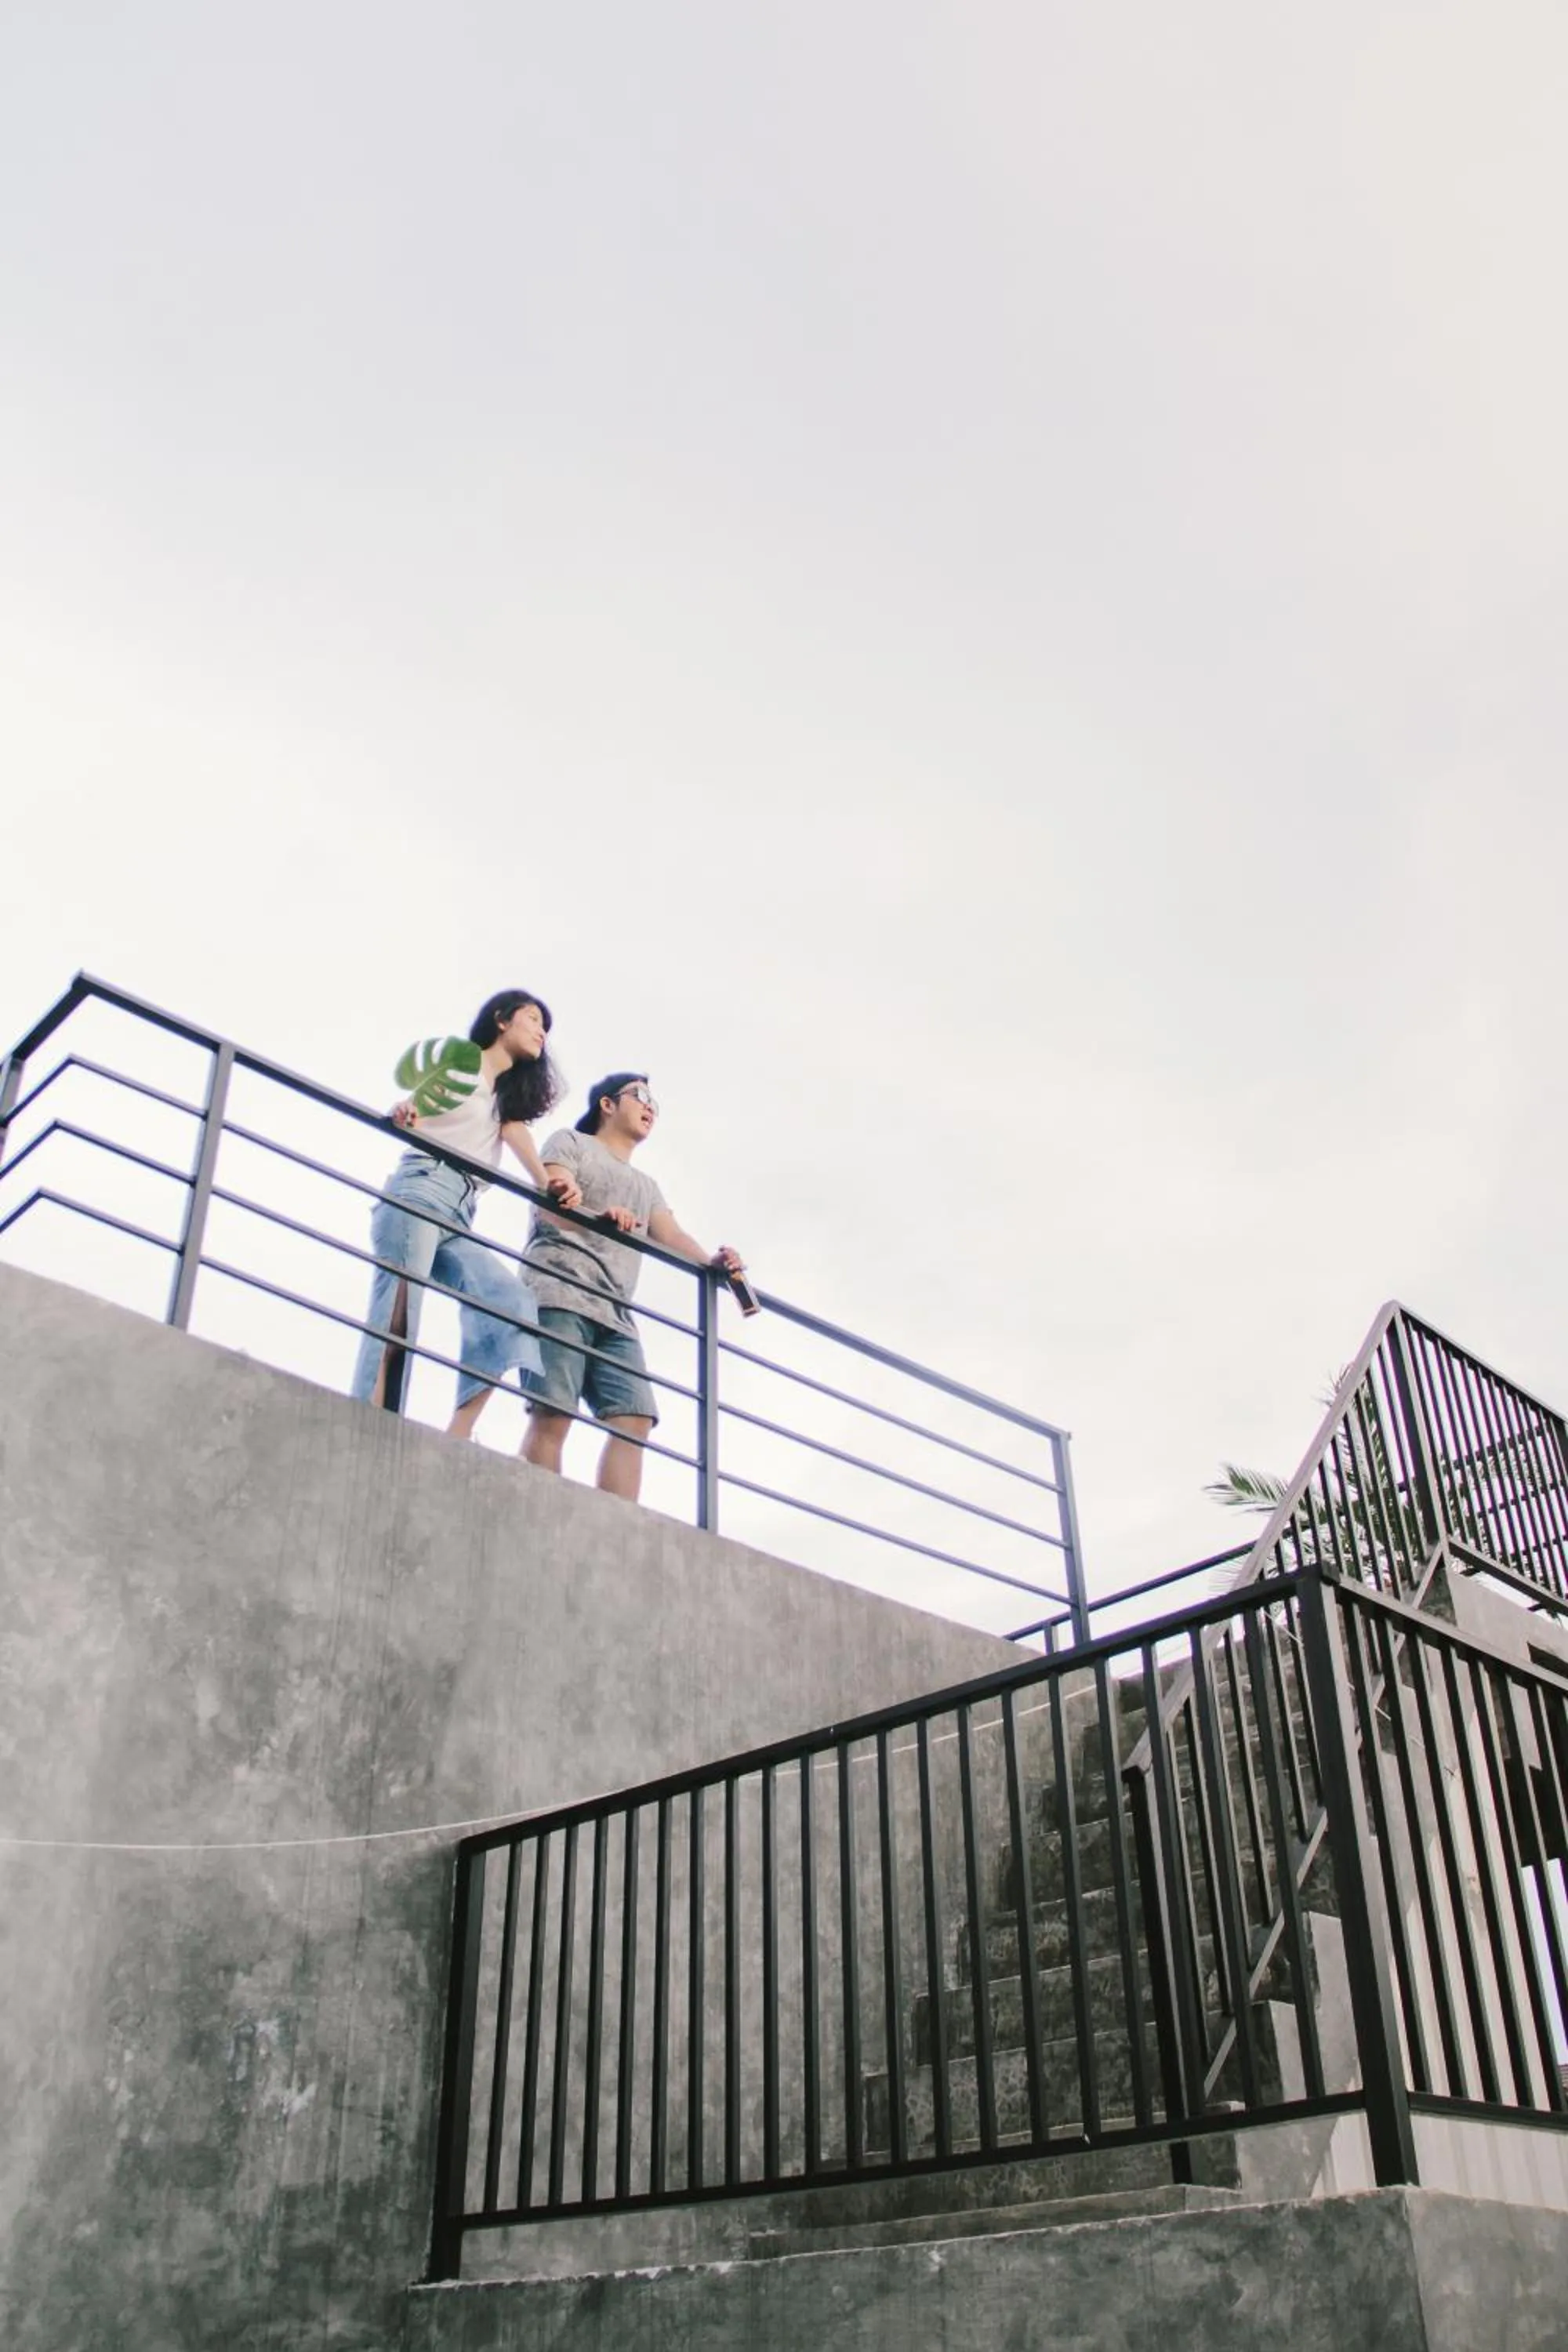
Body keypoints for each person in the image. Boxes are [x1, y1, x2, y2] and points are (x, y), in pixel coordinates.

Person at [350, 989, 583, 1438]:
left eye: (546, 1028)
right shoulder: (459, 1064)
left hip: (460, 1212)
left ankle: (458, 1434)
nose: (541, 1032)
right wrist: (405, 1112)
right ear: (501, 1020)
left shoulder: (506, 1100)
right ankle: (370, 1420)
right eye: (533, 1019)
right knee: (399, 1311)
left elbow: (527, 1156)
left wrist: (549, 1183)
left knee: (510, 1303)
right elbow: (414, 1107)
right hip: (421, 1187)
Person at [520, 1072, 744, 1501]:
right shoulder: (571, 1142)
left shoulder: (646, 1186)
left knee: (635, 1417)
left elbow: (671, 1234)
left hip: (615, 1311)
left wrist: (712, 1263)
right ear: (607, 1104)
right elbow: (552, 1196)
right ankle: (538, 1509)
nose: (649, 1108)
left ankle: (614, 1523)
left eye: (654, 1104)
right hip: (559, 1289)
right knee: (553, 1412)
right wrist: (594, 1213)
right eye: (639, 1097)